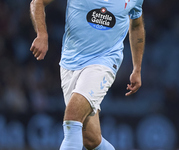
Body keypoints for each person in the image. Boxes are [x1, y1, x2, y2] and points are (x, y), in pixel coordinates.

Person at [30, 0, 145, 149]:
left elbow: (136, 26)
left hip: (104, 62)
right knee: (90, 139)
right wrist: (42, 34)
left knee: (72, 117)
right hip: (69, 63)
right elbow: (37, 2)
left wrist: (137, 69)